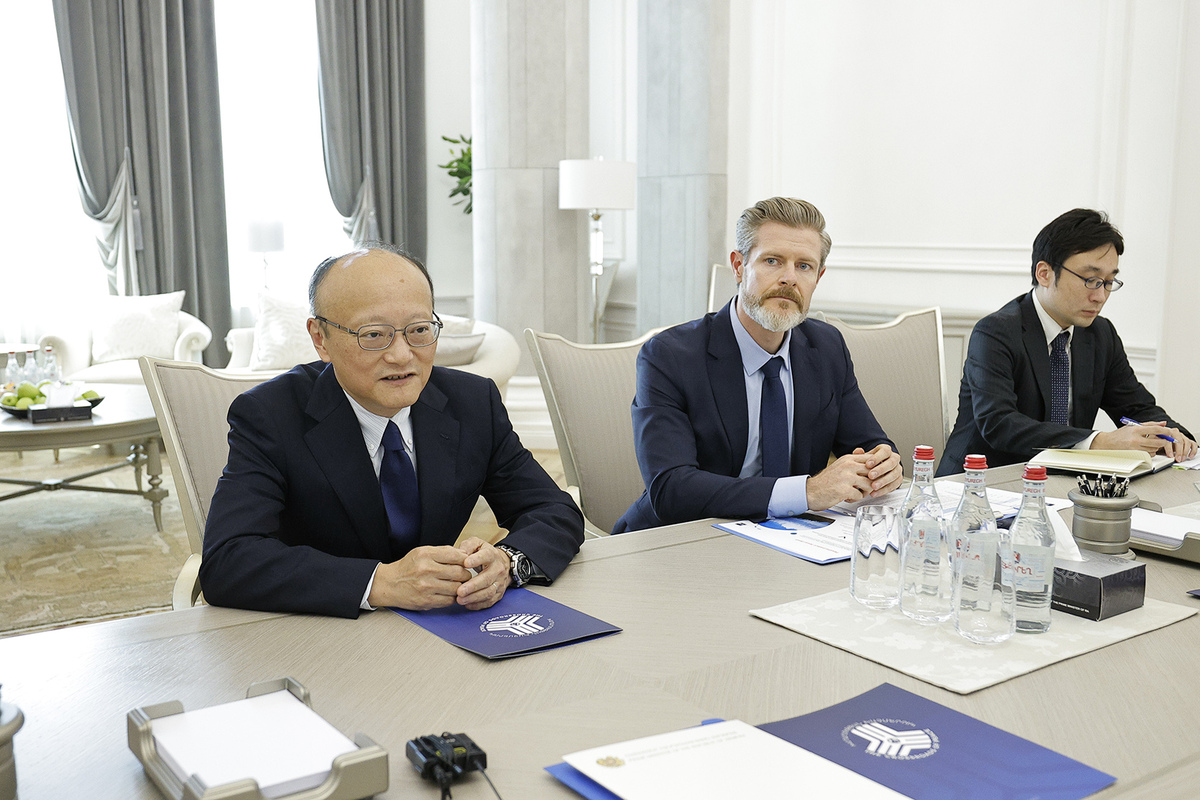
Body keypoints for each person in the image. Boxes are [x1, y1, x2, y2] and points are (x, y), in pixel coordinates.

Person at [201, 245, 584, 617]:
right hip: (319, 633)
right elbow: (228, 560)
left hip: (442, 629)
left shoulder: (471, 402)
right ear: (320, 338)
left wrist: (506, 561)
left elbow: (554, 510)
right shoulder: (270, 415)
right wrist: (380, 583)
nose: (401, 355)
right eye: (373, 335)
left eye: (419, 330)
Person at [612, 197, 903, 533]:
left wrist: (883, 466)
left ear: (818, 277)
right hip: (679, 538)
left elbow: (869, 444)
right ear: (739, 266)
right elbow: (672, 489)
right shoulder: (670, 356)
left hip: (791, 539)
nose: (789, 278)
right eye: (772, 261)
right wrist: (808, 492)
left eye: (804, 266)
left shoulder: (826, 347)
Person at [939, 208, 1196, 476]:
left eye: (1109, 282)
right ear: (1044, 273)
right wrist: (1100, 442)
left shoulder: (1100, 334)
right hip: (982, 481)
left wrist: (1174, 436)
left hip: (1060, 483)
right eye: (1091, 280)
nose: (1100, 296)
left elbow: (1136, 407)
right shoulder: (995, 332)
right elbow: (999, 424)